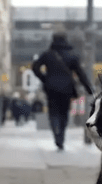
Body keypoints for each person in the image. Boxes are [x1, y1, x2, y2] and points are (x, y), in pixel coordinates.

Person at [32, 23, 94, 151]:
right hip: (66, 89)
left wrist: (45, 78)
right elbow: (80, 73)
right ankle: (61, 137)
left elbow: (35, 67)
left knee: (53, 112)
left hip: (51, 89)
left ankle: (56, 135)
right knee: (64, 113)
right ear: (66, 40)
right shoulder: (72, 55)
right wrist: (89, 88)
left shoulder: (47, 54)